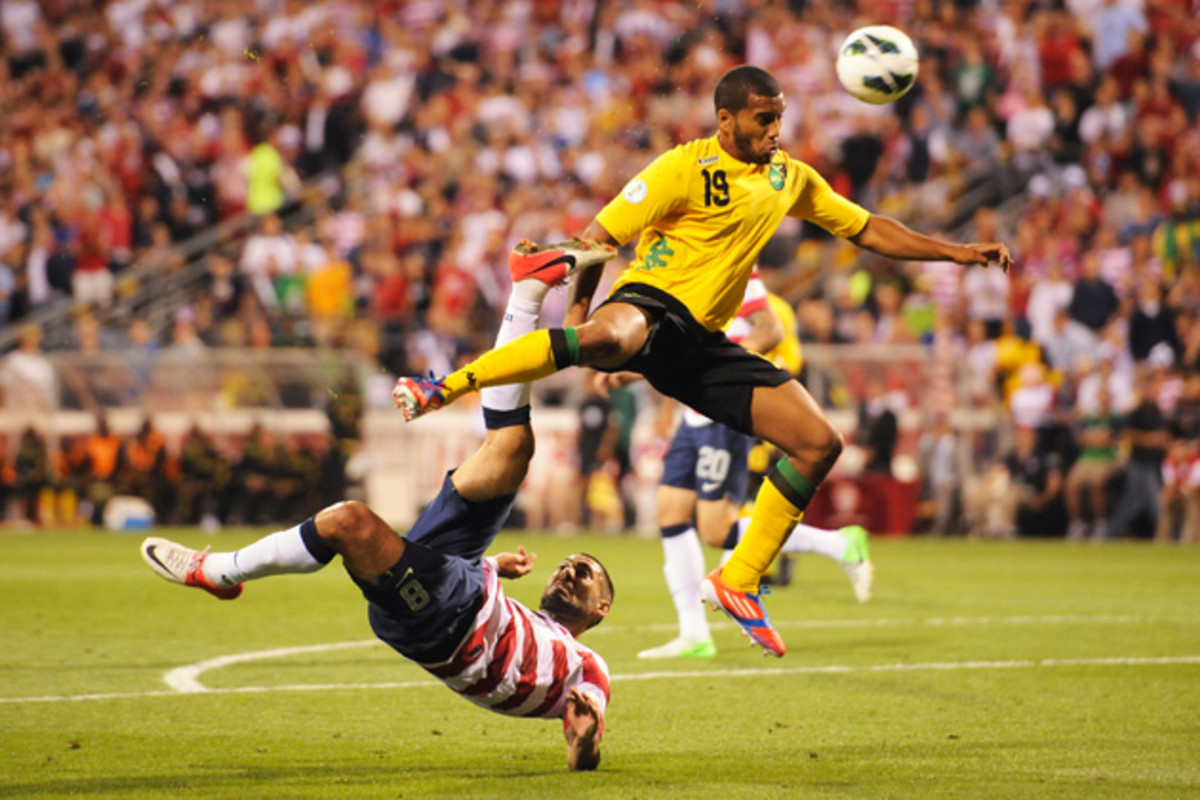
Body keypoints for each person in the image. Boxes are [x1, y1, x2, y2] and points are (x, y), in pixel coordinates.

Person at [393, 66, 1010, 656]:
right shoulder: (682, 168)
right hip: (652, 305)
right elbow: (598, 239)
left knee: (819, 442)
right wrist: (580, 309)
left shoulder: (788, 178)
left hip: (705, 347)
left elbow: (867, 228)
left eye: (780, 119)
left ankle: (738, 580)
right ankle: (444, 385)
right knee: (607, 338)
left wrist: (955, 253)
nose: (776, 131)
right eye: (764, 119)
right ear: (726, 119)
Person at [140, 260, 613, 772]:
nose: (568, 571)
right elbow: (507, 615)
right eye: (569, 564)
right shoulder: (537, 623)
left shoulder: (588, 667)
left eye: (584, 574)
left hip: (443, 621)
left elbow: (583, 732)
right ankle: (527, 289)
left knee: (348, 522)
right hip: (466, 576)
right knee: (514, 448)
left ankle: (218, 573)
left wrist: (583, 739)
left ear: (601, 607)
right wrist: (492, 568)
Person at [627, 273, 873, 660]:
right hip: (690, 416)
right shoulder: (688, 273)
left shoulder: (738, 273)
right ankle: (694, 634)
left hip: (721, 414)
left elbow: (768, 332)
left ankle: (839, 544)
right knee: (670, 514)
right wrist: (664, 400)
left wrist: (715, 373)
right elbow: (682, 347)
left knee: (715, 529)